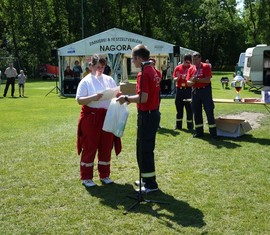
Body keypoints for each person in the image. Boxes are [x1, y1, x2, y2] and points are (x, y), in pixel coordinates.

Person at [117, 44, 161, 194]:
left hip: (147, 115)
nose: (133, 62)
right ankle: (145, 178)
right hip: (153, 113)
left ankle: (150, 184)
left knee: (144, 150)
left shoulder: (144, 73)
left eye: (133, 59)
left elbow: (143, 97)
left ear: (138, 58)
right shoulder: (154, 69)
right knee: (145, 149)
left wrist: (126, 98)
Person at [76, 54, 121, 188]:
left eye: (102, 67)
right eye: (97, 67)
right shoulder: (86, 81)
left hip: (107, 116)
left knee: (106, 146)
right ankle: (86, 177)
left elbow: (114, 95)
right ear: (91, 66)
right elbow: (79, 100)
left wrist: (120, 96)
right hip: (91, 117)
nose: (99, 70)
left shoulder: (109, 79)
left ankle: (104, 174)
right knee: (90, 146)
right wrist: (93, 97)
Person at [186, 52, 217, 138]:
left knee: (209, 111)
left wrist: (197, 80)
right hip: (195, 92)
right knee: (196, 112)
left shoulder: (206, 66)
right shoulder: (191, 69)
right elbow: (188, 83)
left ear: (200, 59)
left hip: (205, 91)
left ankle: (213, 134)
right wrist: (193, 81)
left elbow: (207, 80)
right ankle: (199, 132)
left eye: (196, 59)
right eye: (193, 59)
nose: (194, 61)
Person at [172, 54, 193, 130]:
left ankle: (190, 126)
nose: (188, 64)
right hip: (179, 90)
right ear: (184, 60)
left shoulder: (191, 68)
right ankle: (178, 126)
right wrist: (177, 78)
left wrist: (188, 78)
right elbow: (174, 79)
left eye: (190, 62)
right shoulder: (178, 67)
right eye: (187, 62)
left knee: (189, 109)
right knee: (179, 108)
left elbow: (194, 78)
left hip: (188, 90)